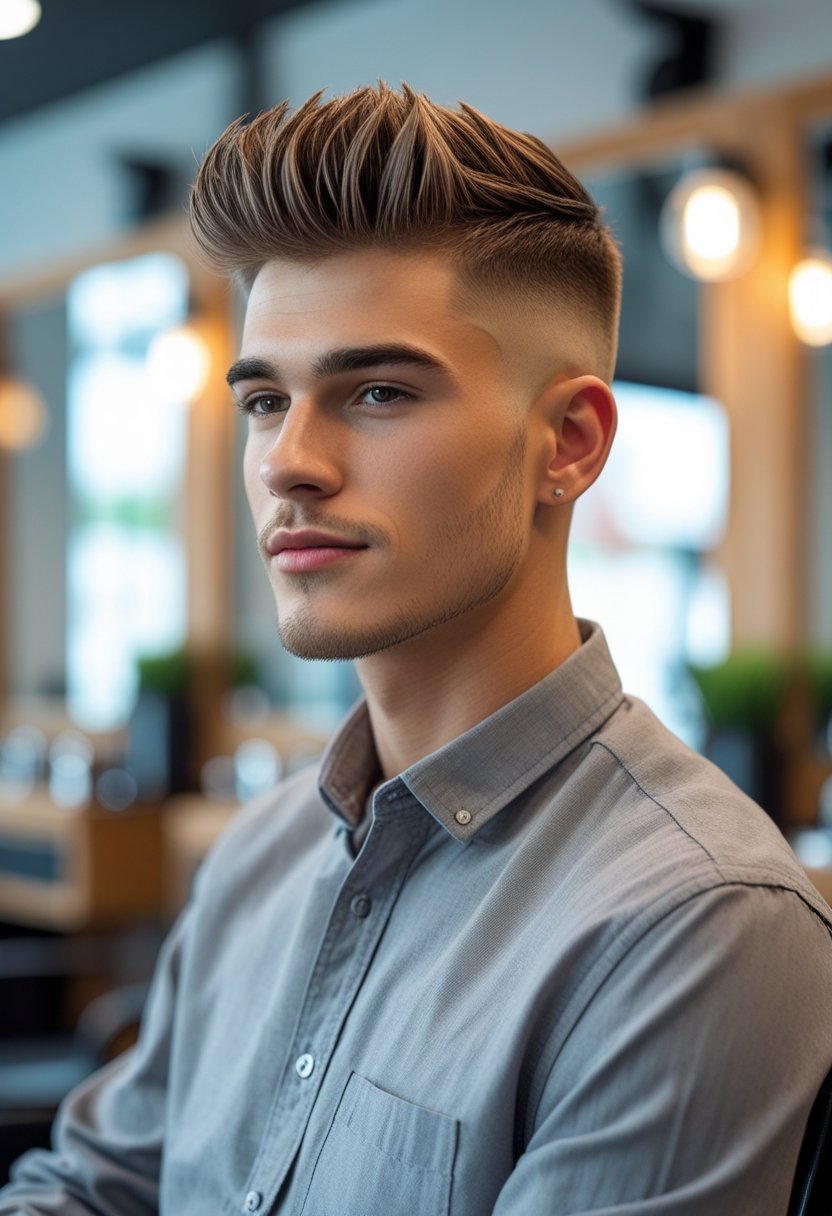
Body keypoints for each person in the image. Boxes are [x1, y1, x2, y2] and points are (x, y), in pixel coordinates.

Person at [3, 83, 832, 1216]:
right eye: (262, 402)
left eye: (377, 390)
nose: (289, 460)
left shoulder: (694, 924)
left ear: (569, 444)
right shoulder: (257, 856)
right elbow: (98, 1186)